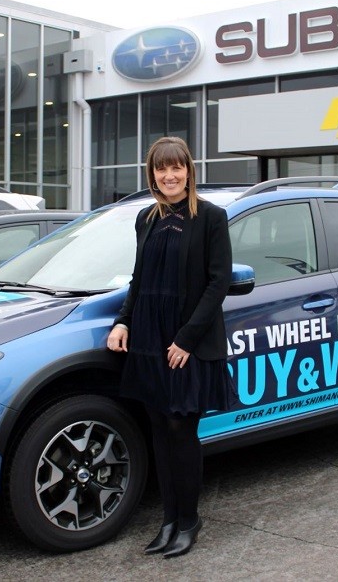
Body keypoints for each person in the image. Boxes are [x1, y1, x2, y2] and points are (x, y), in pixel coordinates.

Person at [106, 136, 236, 558]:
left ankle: (189, 521)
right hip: (149, 337)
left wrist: (186, 338)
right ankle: (168, 520)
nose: (170, 176)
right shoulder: (147, 218)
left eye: (176, 167)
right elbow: (138, 280)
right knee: (160, 430)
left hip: (187, 341)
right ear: (153, 175)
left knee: (182, 429)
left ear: (189, 171)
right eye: (162, 169)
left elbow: (219, 283)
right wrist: (123, 321)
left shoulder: (211, 218)